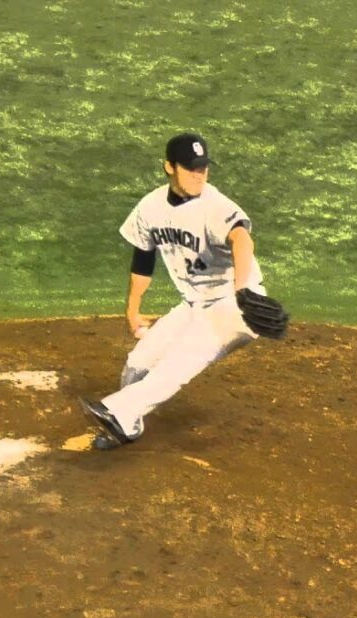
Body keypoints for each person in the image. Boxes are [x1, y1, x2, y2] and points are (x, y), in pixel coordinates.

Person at [79, 132, 287, 450]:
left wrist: (244, 290)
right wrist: (133, 309)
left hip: (233, 306)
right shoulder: (150, 207)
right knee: (138, 363)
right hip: (193, 305)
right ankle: (128, 425)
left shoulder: (215, 205)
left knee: (179, 363)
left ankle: (119, 412)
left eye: (203, 167)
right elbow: (143, 258)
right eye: (190, 168)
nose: (198, 175)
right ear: (169, 167)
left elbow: (242, 239)